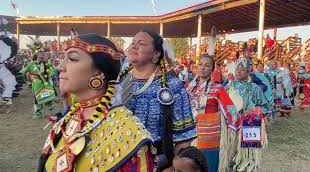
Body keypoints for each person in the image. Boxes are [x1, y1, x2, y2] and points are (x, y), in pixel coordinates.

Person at [38, 34, 156, 172]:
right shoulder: (68, 119)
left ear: (99, 73)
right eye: (63, 58)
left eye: (73, 59)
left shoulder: (128, 136)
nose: (60, 67)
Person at [120, 30, 196, 170]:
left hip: (156, 163)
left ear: (156, 54)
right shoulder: (118, 81)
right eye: (133, 43)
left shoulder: (173, 86)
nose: (134, 46)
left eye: (141, 43)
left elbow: (184, 137)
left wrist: (172, 168)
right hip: (118, 160)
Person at [187, 55, 238, 172]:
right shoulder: (189, 88)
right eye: (200, 64)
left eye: (207, 65)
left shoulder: (218, 89)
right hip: (189, 138)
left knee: (209, 167)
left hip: (210, 139)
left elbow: (231, 111)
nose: (202, 68)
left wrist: (241, 126)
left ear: (212, 69)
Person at [221, 57, 270, 172]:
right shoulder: (229, 86)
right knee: (231, 151)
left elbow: (265, 107)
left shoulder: (255, 88)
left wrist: (254, 110)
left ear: (248, 72)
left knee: (248, 154)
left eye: (242, 69)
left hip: (249, 122)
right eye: (237, 69)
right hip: (232, 123)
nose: (239, 71)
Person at [20, 46, 56, 119]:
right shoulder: (32, 64)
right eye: (40, 52)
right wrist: (16, 74)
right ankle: (38, 113)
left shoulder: (46, 62)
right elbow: (24, 70)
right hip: (37, 84)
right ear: (36, 54)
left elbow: (53, 69)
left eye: (43, 52)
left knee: (48, 97)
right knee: (38, 99)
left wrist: (52, 71)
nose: (42, 54)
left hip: (46, 84)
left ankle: (51, 111)